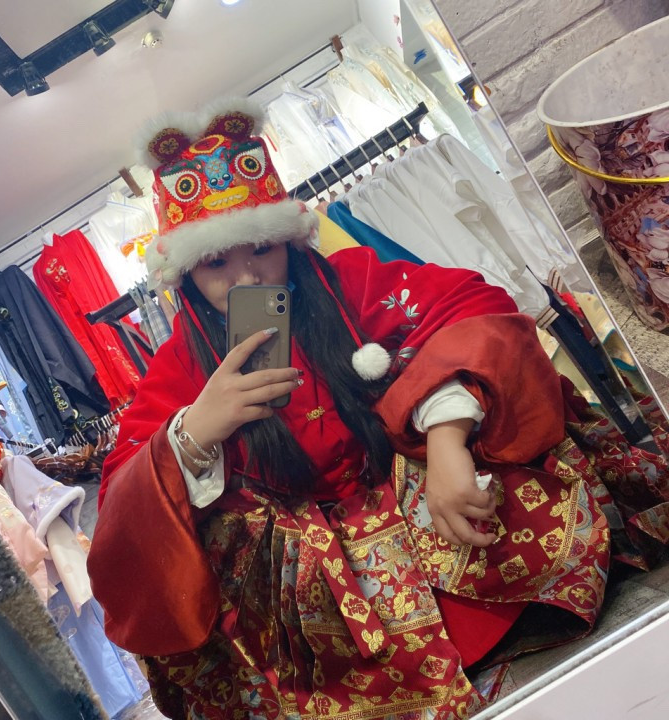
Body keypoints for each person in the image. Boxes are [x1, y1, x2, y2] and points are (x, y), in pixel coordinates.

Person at [87, 100, 667, 720]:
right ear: (186, 274)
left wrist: (446, 436)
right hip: (315, 582)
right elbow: (122, 516)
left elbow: (474, 308)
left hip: (423, 502)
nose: (246, 278)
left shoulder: (349, 281)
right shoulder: (179, 363)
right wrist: (193, 433)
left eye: (261, 249)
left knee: (497, 401)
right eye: (215, 263)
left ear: (288, 242)